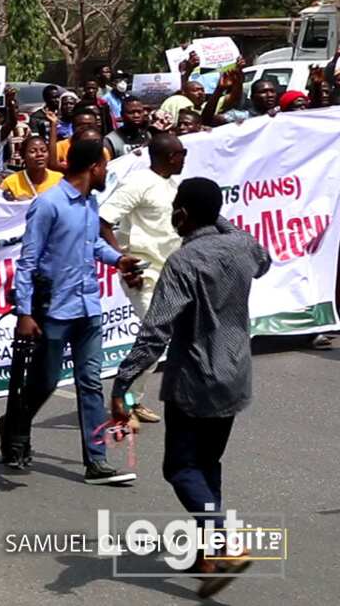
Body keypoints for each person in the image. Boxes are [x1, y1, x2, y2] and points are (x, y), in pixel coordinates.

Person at [111, 177, 271, 599]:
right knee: (208, 463)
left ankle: (222, 542)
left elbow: (154, 333)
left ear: (182, 213)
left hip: (195, 379)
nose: (171, 214)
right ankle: (210, 554)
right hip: (235, 374)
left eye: (176, 207)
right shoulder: (243, 248)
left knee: (180, 469)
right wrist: (213, 213)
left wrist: (123, 382)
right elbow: (264, 258)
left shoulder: (185, 262)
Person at [11, 139, 141, 483]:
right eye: (104, 168)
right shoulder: (48, 205)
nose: (106, 174)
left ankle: (96, 461)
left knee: (90, 383)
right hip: (54, 311)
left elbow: (93, 243)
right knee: (45, 382)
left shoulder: (89, 202)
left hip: (88, 308)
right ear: (93, 168)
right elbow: (27, 262)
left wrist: (118, 259)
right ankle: (15, 425)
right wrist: (24, 312)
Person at [99, 132, 187, 424]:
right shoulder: (137, 183)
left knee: (157, 340)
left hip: (169, 274)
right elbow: (103, 220)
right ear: (170, 156)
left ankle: (133, 400)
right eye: (181, 153)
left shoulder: (172, 185)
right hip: (143, 275)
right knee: (154, 338)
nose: (184, 157)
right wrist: (123, 263)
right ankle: (123, 401)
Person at [1, 136, 63, 201]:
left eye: (44, 151)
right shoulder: (10, 183)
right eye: (32, 151)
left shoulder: (59, 180)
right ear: (23, 155)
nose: (39, 154)